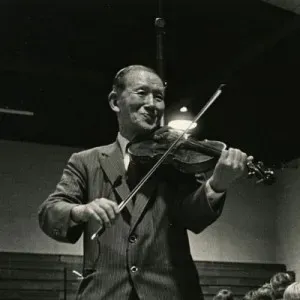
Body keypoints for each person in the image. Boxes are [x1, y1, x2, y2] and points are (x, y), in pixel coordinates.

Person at [38, 65, 251, 300]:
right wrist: (80, 210)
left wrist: (217, 184)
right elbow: (50, 212)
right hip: (105, 293)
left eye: (158, 97)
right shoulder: (85, 162)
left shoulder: (175, 158)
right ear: (114, 101)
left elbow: (193, 216)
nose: (153, 104)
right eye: (142, 93)